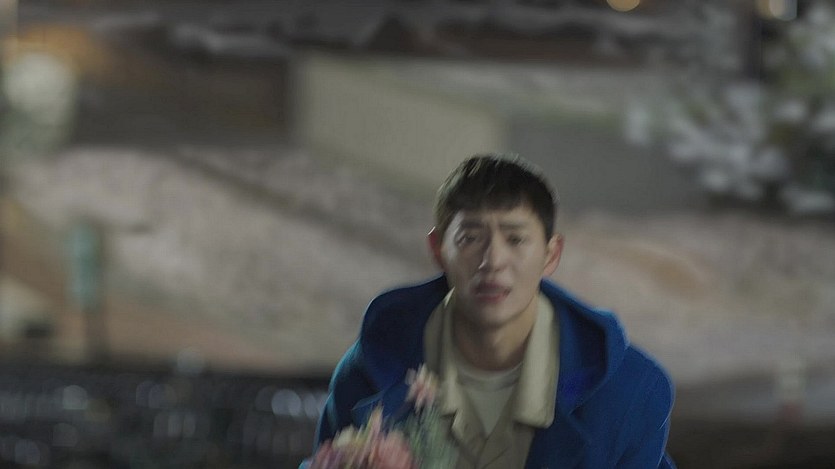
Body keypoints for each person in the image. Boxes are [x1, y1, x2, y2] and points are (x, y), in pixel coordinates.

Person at [311, 154, 675, 468]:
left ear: (550, 255)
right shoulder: (373, 368)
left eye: (515, 239)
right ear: (438, 249)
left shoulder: (629, 393)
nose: (493, 260)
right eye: (470, 238)